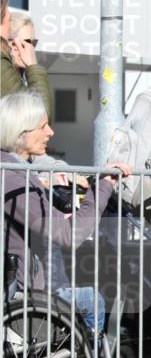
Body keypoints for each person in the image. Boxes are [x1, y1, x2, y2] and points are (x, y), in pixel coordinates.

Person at [0, 91, 129, 333]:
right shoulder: (13, 179)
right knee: (93, 300)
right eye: (43, 126)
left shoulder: (14, 170)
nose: (51, 132)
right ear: (21, 133)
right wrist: (105, 185)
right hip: (23, 295)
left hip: (22, 285)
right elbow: (69, 235)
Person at [0, 0, 51, 119]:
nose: (31, 48)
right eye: (27, 42)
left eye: (33, 43)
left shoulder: (22, 78)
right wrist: (33, 66)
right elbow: (40, 119)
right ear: (10, 43)